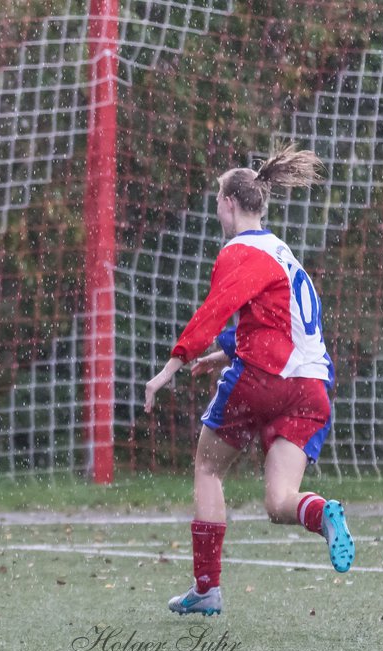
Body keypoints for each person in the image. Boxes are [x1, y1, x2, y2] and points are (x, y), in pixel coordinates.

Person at [144, 143, 355, 616]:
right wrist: (221, 357)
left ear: (229, 204)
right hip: (313, 388)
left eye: (217, 201)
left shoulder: (240, 252)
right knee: (280, 501)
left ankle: (206, 589)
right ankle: (323, 514)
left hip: (267, 379)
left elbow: (211, 312)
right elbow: (275, 326)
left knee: (208, 467)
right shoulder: (282, 253)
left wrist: (167, 370)